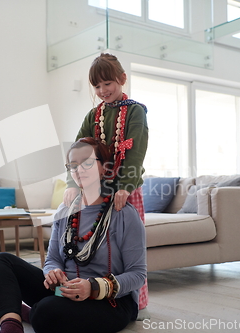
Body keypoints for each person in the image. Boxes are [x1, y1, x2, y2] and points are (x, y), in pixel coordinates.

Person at [0, 137, 147, 333]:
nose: (79, 170)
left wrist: (93, 287)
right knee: (1, 262)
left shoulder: (124, 213)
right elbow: (53, 259)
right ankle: (11, 327)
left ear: (105, 168)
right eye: (73, 165)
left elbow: (138, 275)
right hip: (63, 291)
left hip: (111, 300)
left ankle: (30, 312)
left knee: (45, 313)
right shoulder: (65, 211)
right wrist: (52, 273)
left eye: (87, 163)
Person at [63, 52, 149, 310]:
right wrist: (70, 183)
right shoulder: (93, 116)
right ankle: (91, 290)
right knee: (97, 244)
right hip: (96, 190)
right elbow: (77, 150)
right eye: (97, 86)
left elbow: (135, 153)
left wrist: (125, 186)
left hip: (126, 190)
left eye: (107, 84)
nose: (102, 90)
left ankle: (135, 303)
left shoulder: (135, 112)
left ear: (122, 79)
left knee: (130, 249)